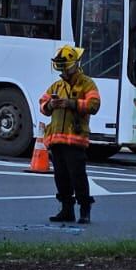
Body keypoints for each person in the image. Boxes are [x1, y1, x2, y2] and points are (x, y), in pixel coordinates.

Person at [39, 45, 101, 224]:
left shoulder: (87, 83)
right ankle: (66, 210)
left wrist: (72, 104)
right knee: (61, 177)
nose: (62, 71)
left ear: (74, 65)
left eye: (64, 67)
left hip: (75, 140)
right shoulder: (57, 86)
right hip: (57, 139)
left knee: (78, 176)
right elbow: (43, 104)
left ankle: (84, 209)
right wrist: (50, 105)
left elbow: (94, 105)